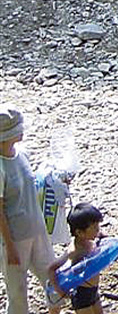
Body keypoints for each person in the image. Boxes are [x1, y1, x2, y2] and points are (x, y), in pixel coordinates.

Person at [0, 106, 57, 314]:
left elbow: (33, 186)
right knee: (17, 291)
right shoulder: (0, 167)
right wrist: (9, 247)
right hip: (15, 237)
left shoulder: (22, 155)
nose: (22, 132)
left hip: (37, 228)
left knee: (53, 277)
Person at [46, 204, 104, 314]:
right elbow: (51, 269)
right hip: (82, 295)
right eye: (94, 228)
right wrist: (60, 291)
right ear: (79, 232)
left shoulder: (89, 240)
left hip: (93, 290)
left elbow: (99, 236)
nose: (98, 230)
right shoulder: (74, 251)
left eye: (98, 226)